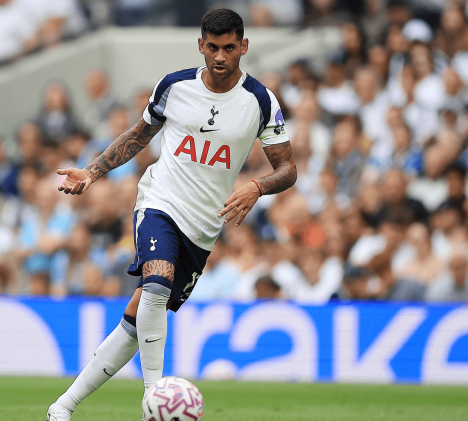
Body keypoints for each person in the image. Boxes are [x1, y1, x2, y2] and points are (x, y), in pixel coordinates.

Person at [48, 8, 296, 420]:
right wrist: (91, 172)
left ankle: (62, 406)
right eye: (212, 47)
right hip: (160, 202)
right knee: (157, 283)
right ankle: (155, 399)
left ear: (244, 46)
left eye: (229, 48)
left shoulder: (261, 101)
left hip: (203, 228)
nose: (220, 57)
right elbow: (138, 135)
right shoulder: (175, 86)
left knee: (138, 320)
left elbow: (287, 168)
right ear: (200, 45)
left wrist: (257, 186)